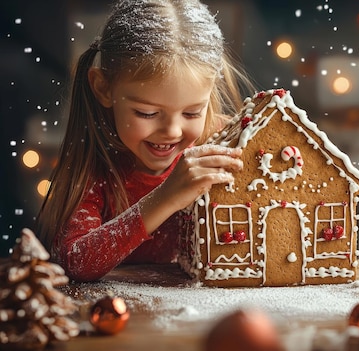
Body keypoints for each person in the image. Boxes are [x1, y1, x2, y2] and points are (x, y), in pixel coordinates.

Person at [36, 0, 254, 282]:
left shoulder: (226, 146)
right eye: (147, 113)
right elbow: (75, 261)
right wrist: (165, 198)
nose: (172, 131)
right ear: (103, 87)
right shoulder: (97, 165)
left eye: (192, 112)